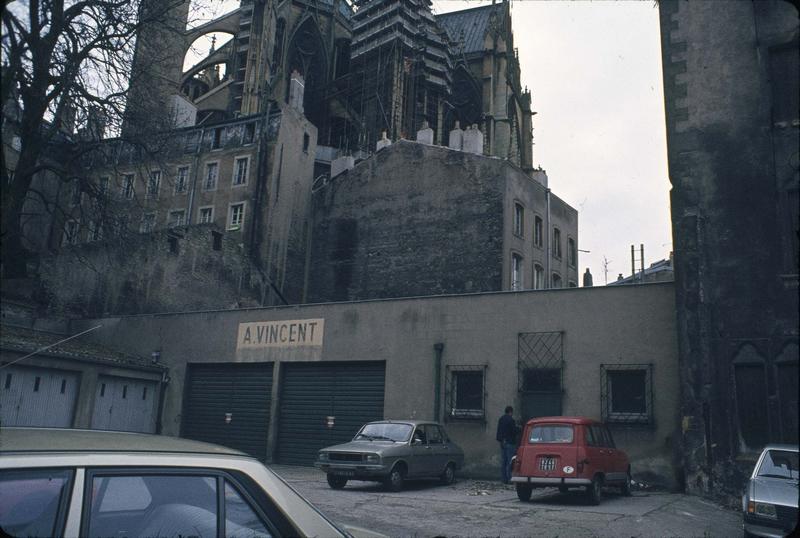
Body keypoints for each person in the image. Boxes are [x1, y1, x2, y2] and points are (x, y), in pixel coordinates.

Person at [496, 405, 517, 484]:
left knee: (503, 461)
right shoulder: (511, 420)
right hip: (510, 442)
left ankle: (503, 479)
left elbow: (499, 431)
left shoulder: (501, 419)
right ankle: (510, 479)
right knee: (510, 461)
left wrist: (500, 440)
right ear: (511, 412)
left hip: (502, 442)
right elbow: (513, 431)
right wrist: (518, 429)